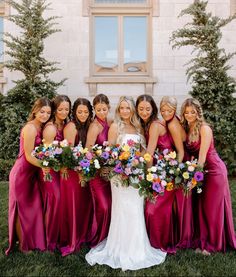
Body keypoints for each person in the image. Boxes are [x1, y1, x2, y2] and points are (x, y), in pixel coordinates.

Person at [85, 96, 166, 271]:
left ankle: (138, 249)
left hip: (136, 175)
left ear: (132, 110)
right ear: (118, 109)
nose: (124, 111)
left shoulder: (138, 127)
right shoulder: (115, 126)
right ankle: (119, 247)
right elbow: (111, 151)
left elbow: (144, 151)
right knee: (122, 210)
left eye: (128, 108)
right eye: (122, 108)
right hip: (120, 177)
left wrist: (143, 168)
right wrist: (119, 167)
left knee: (135, 210)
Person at [136, 95, 192, 253]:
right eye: (163, 110)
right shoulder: (162, 123)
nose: (166, 112)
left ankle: (159, 241)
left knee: (152, 208)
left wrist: (148, 179)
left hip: (168, 171)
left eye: (170, 110)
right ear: (159, 110)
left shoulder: (159, 125)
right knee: (162, 207)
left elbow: (149, 154)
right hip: (164, 168)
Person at [180, 98, 236, 254]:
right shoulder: (187, 128)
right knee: (202, 207)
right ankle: (203, 240)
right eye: (187, 112)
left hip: (214, 171)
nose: (190, 115)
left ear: (199, 112)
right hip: (201, 171)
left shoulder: (204, 129)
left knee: (212, 209)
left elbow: (202, 157)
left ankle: (213, 244)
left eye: (193, 112)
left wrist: (192, 178)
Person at [6, 98, 52, 255]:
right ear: (35, 111)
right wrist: (45, 166)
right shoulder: (31, 128)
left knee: (31, 209)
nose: (45, 115)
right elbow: (29, 156)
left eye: (48, 112)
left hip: (31, 173)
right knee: (21, 209)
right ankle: (23, 246)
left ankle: (31, 239)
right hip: (22, 174)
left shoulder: (40, 126)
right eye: (42, 112)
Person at [59, 97, 94, 256]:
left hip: (83, 171)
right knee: (74, 205)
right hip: (73, 174)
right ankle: (73, 238)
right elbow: (69, 153)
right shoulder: (71, 126)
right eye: (79, 111)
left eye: (86, 111)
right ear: (74, 112)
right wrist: (80, 172)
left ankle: (83, 235)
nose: (83, 114)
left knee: (83, 205)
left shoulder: (87, 126)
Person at [40, 95, 71, 251]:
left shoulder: (64, 124)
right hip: (49, 171)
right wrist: (60, 166)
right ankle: (49, 241)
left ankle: (59, 236)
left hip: (59, 170)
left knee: (60, 202)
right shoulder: (51, 127)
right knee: (55, 201)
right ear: (54, 109)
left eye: (66, 109)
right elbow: (46, 154)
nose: (64, 112)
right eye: (60, 109)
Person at [85, 94, 112, 247]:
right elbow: (88, 150)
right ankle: (98, 236)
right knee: (103, 206)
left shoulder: (110, 122)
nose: (102, 112)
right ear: (94, 110)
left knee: (111, 204)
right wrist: (100, 164)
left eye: (104, 109)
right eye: (98, 109)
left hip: (109, 171)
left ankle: (109, 235)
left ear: (108, 107)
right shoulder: (94, 126)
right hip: (97, 172)